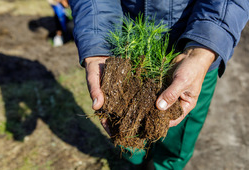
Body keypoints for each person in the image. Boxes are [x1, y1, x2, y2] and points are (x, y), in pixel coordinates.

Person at [69, 0, 249, 169]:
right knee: (124, 127)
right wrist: (98, 43)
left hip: (192, 51)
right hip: (127, 49)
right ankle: (133, 161)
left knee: (178, 136)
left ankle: (166, 166)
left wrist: (204, 48)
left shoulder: (198, 55)